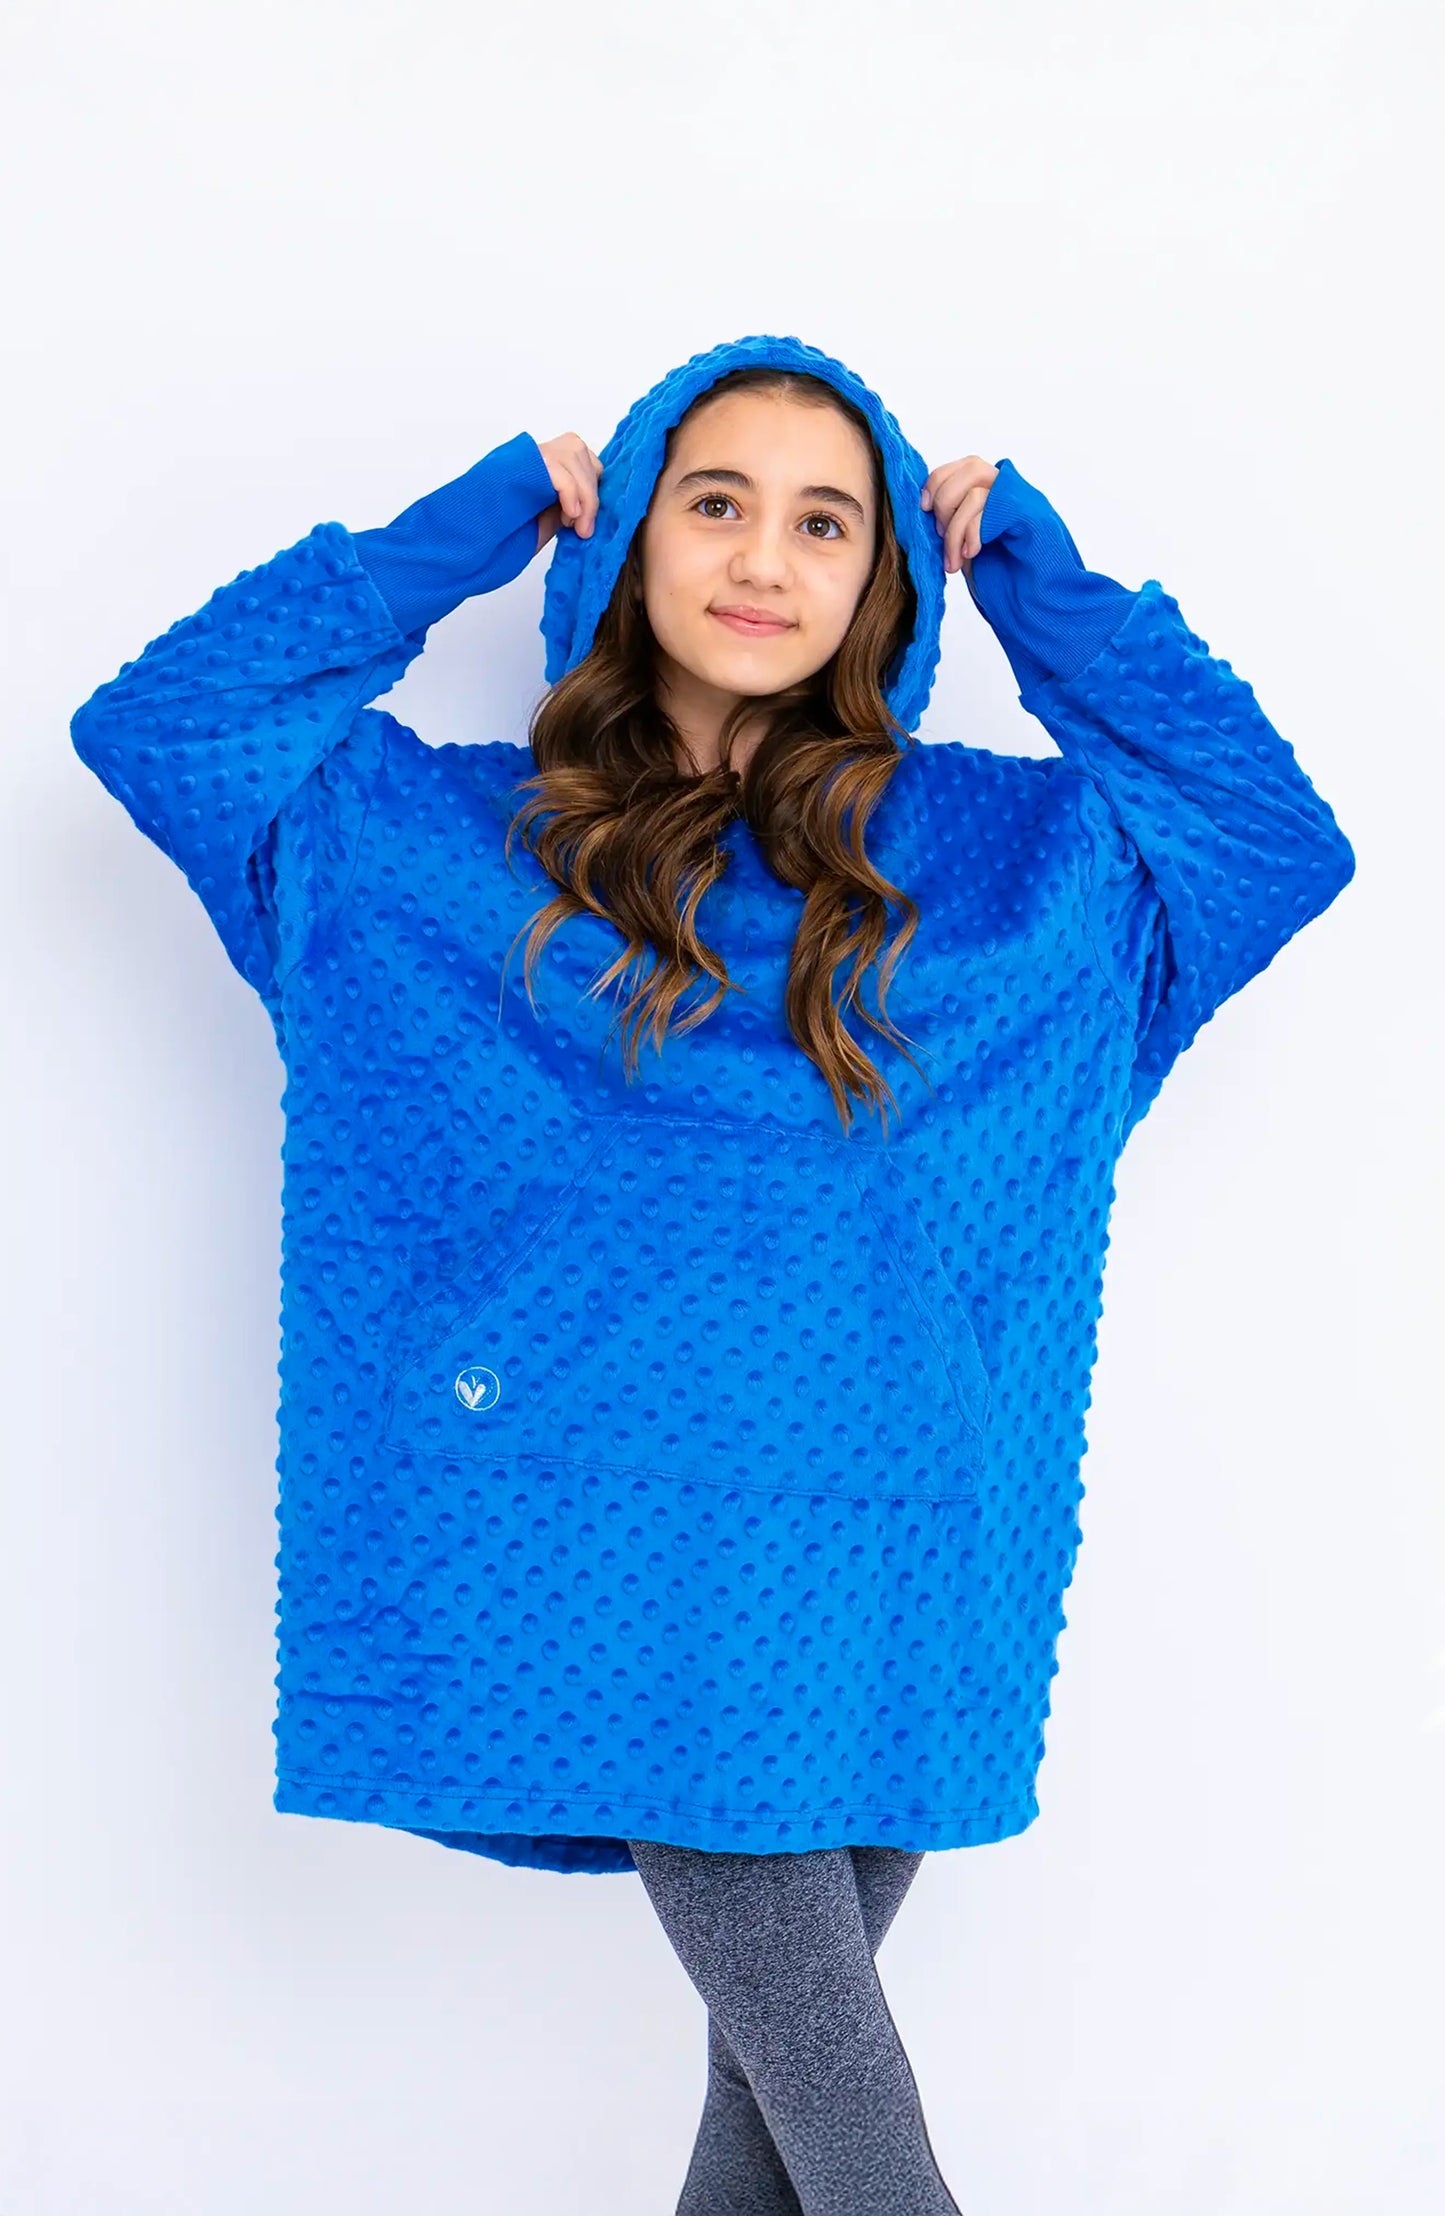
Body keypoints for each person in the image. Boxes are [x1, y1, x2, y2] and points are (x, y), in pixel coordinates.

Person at [70, 333, 1355, 2215]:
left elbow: (1267, 843)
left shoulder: (1012, 862)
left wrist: (1059, 606)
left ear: (881, 578)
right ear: (631, 537)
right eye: (715, 501)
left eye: (824, 522)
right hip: (595, 1524)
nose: (763, 558)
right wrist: (458, 532)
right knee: (857, 2143)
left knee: (766, 2122)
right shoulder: (435, 838)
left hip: (895, 1520)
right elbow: (168, 726)